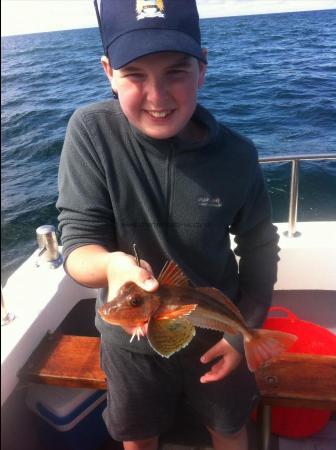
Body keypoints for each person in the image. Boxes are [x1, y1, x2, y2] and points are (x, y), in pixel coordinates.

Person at [57, 1, 280, 449]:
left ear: (202, 68)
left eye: (176, 71)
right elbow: (78, 245)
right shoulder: (91, 132)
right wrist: (114, 267)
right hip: (130, 345)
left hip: (216, 334)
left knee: (230, 427)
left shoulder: (237, 155)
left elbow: (259, 247)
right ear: (108, 72)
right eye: (135, 75)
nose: (157, 98)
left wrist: (243, 335)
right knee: (137, 436)